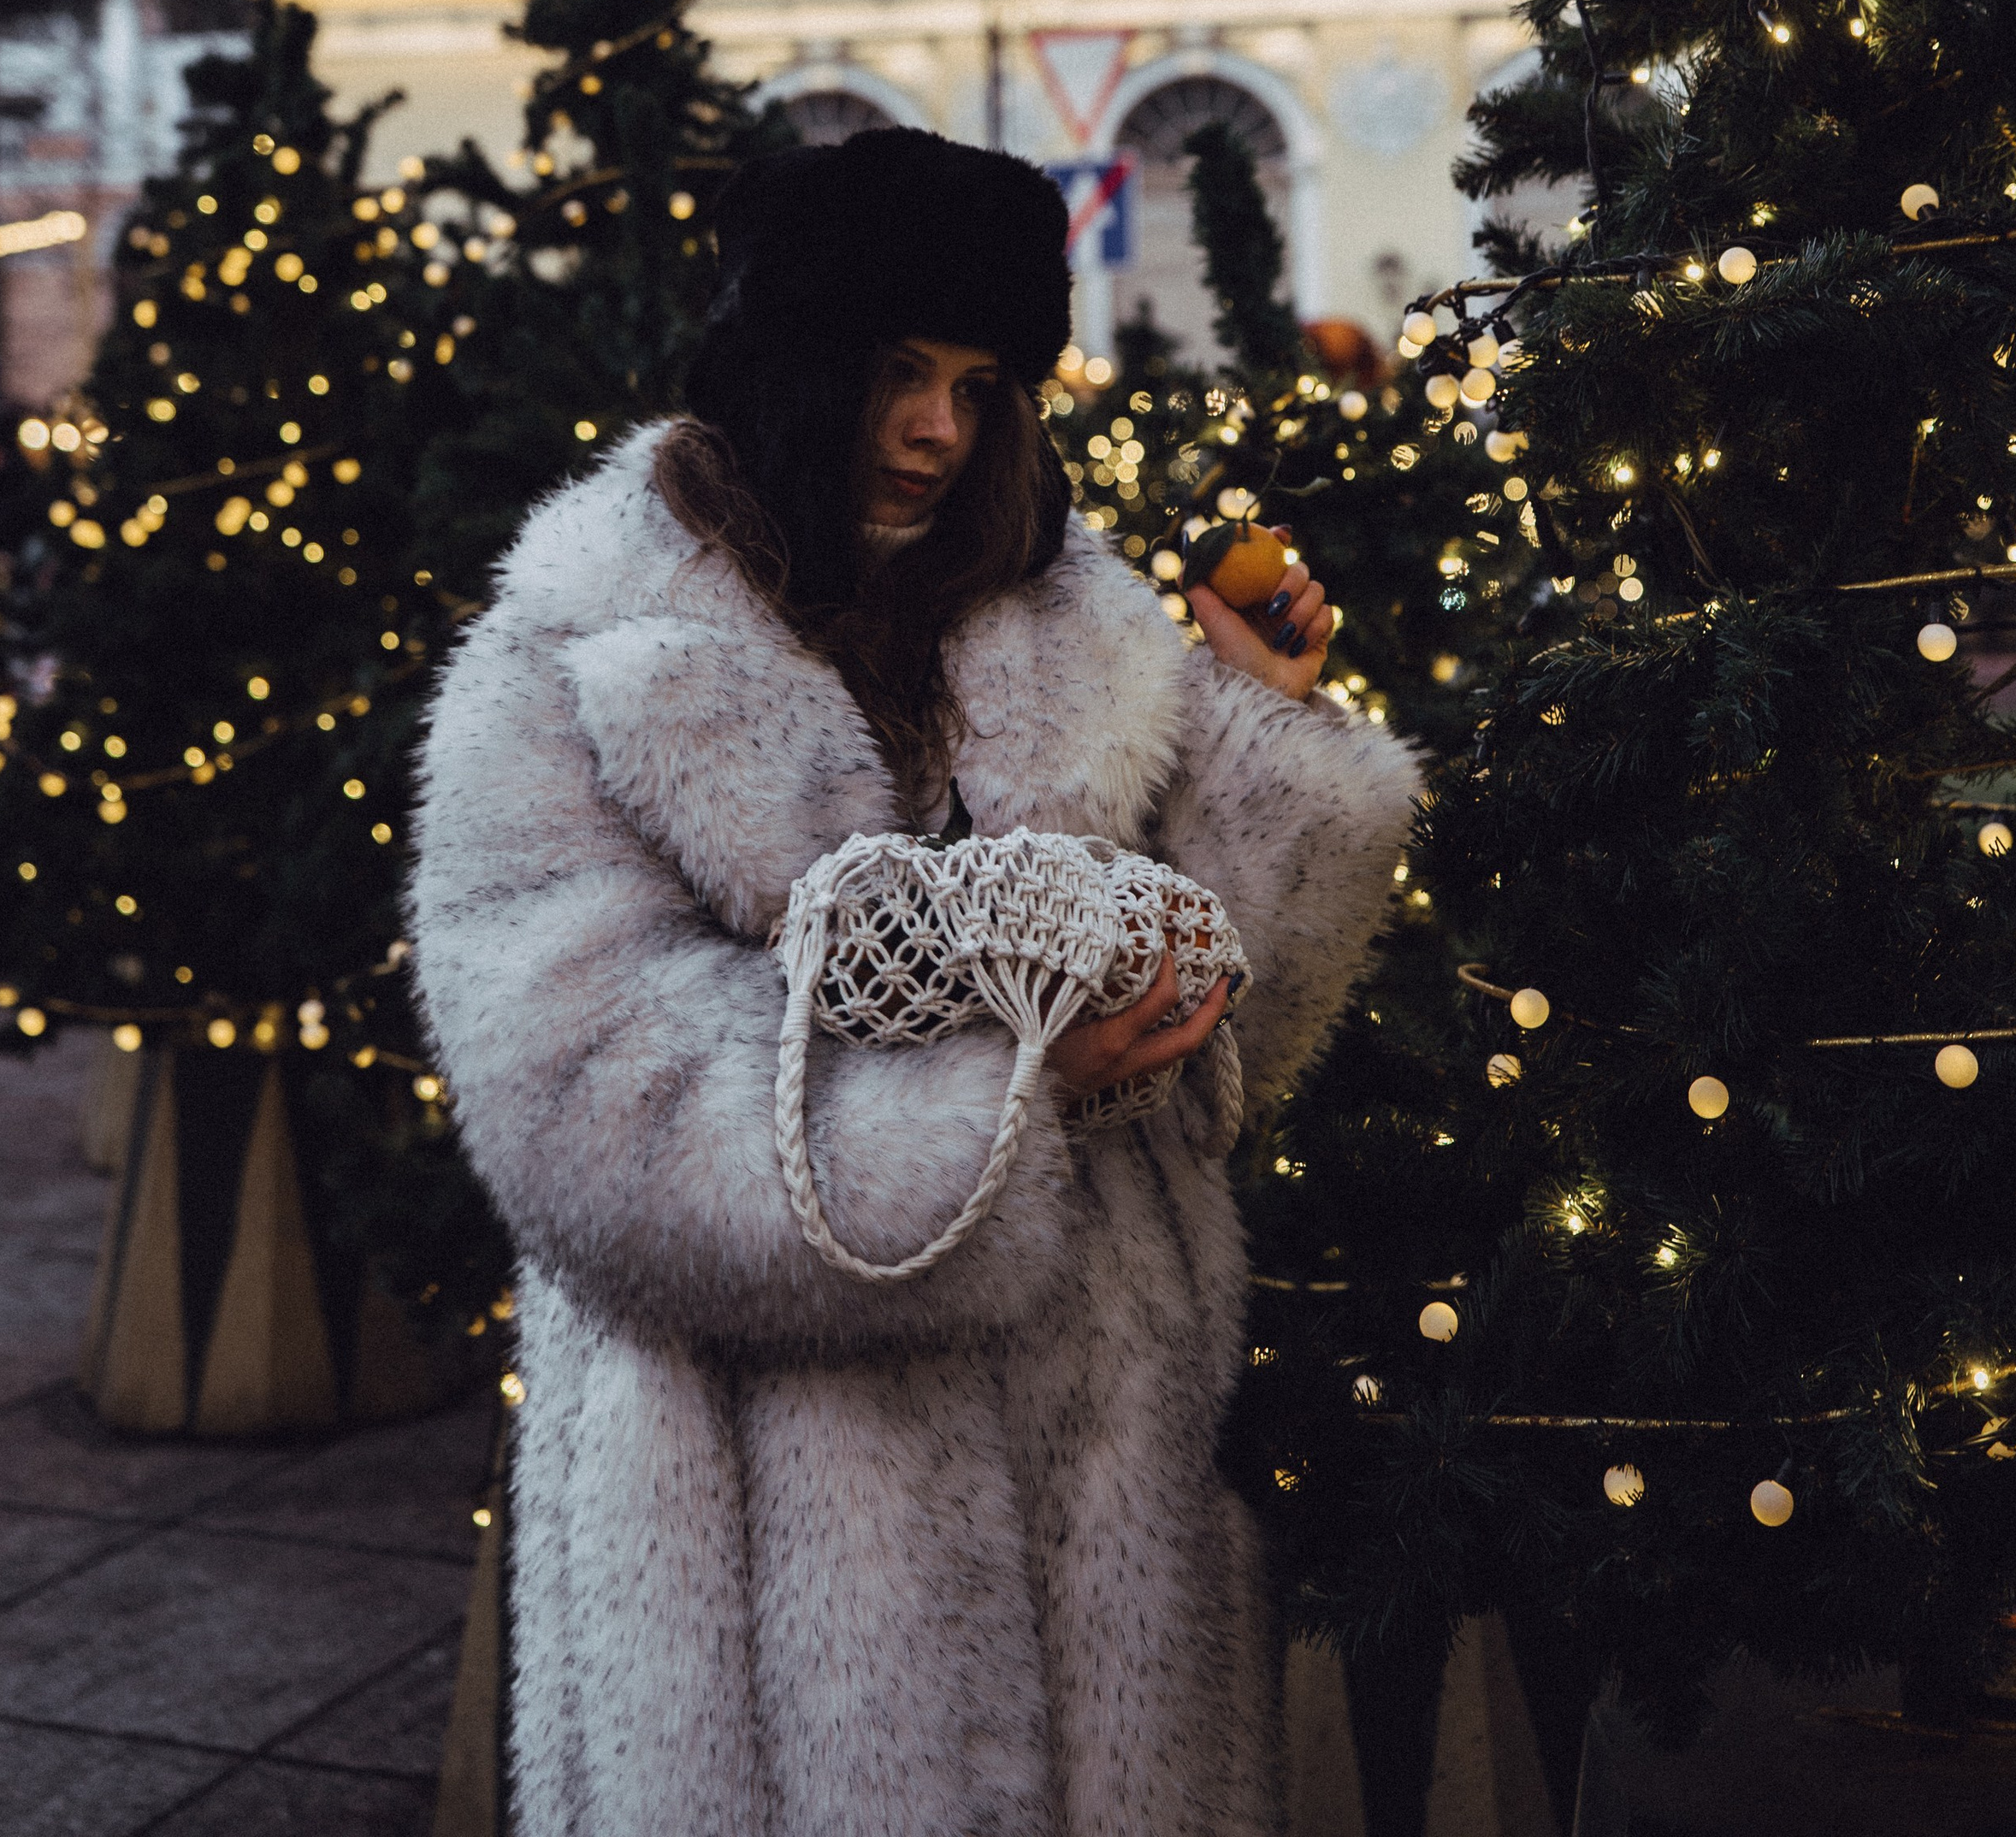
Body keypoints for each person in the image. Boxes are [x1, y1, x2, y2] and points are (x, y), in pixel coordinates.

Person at [410, 127, 1414, 1837]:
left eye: (977, 383)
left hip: (1099, 1478)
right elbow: (578, 1101)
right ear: (790, 361)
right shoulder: (583, 651)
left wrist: (1268, 727)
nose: (938, 429)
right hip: (765, 1517)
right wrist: (998, 1101)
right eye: (894, 371)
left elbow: (1236, 1024)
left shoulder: (1074, 623)